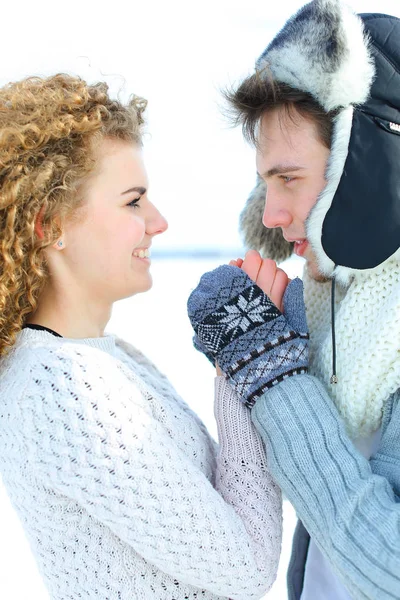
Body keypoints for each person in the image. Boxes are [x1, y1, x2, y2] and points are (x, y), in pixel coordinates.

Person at [0, 73, 283, 600]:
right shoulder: (61, 386)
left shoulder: (105, 360)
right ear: (49, 226)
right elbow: (245, 566)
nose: (159, 222)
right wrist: (245, 364)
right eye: (133, 201)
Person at [187, 1, 400, 599]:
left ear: (366, 165)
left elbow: (391, 565)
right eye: (265, 183)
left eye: (289, 178)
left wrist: (270, 374)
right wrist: (248, 347)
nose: (273, 216)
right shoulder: (333, 297)